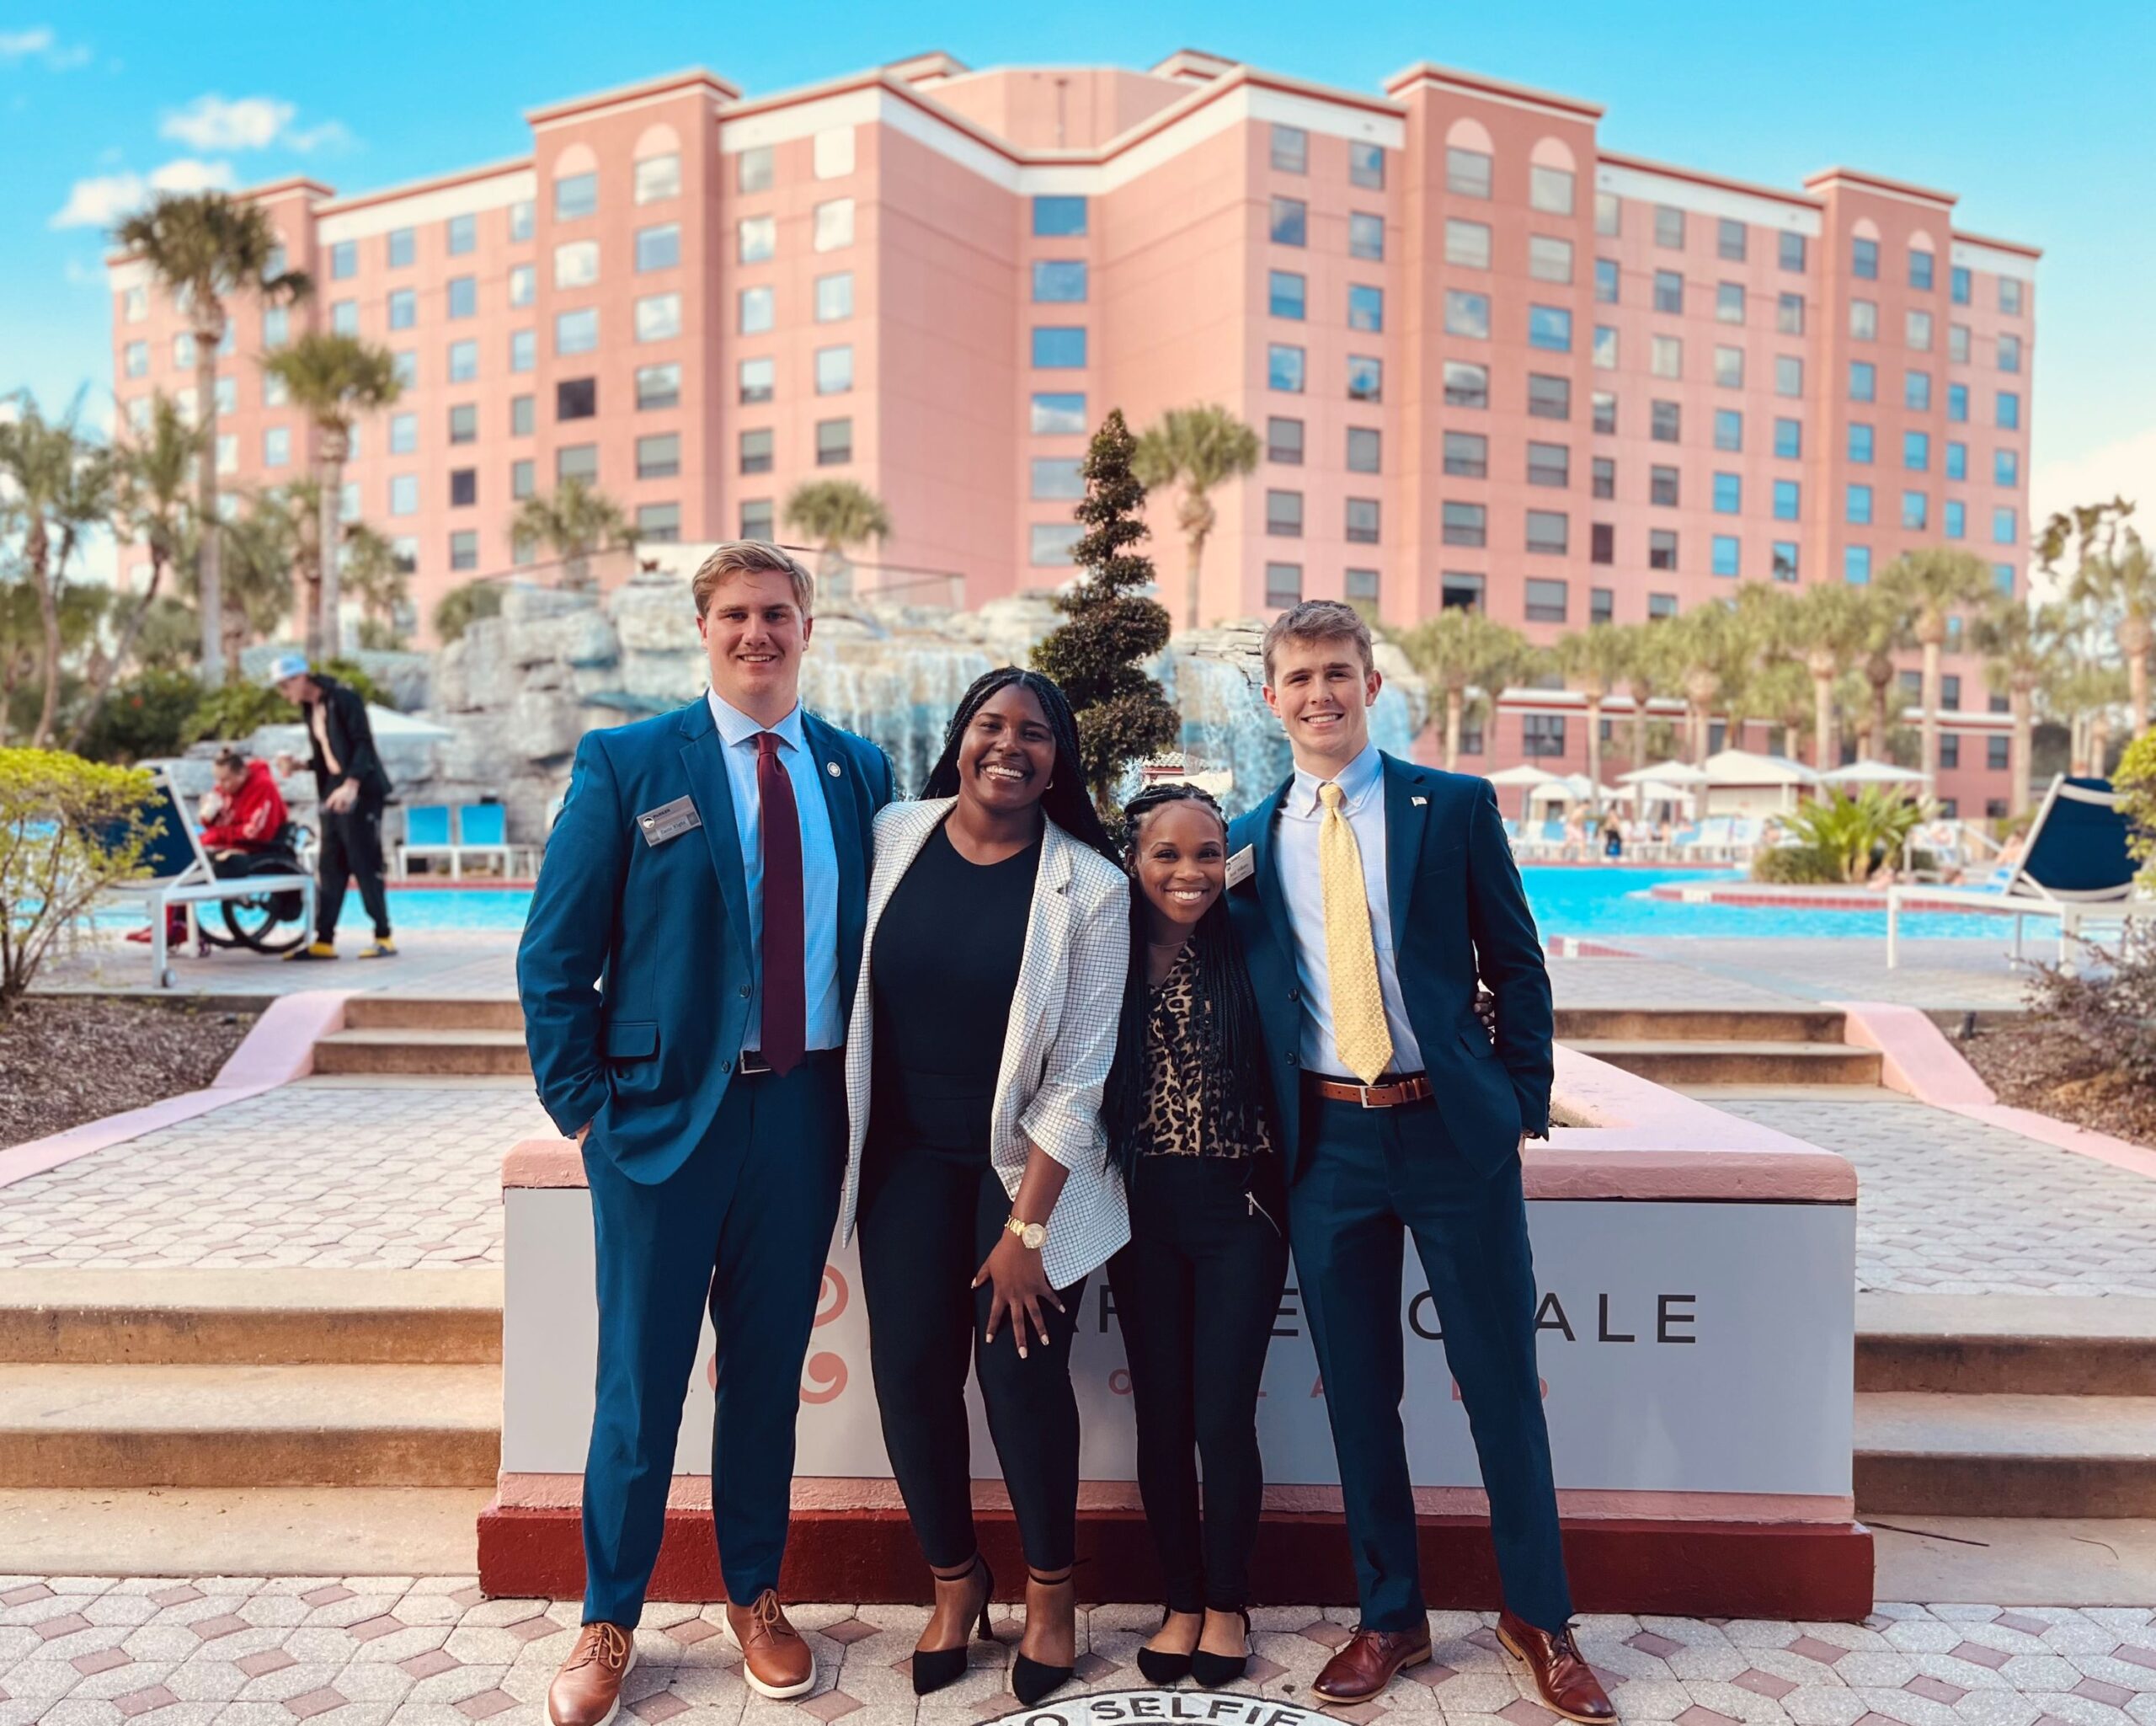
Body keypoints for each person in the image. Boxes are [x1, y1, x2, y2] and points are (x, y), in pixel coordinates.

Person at [518, 543, 897, 1726]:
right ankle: (607, 1617)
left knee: (768, 1378)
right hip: (658, 1125)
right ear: (703, 627)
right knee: (637, 1385)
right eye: (734, 614)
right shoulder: (630, 761)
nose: (757, 633)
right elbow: (553, 957)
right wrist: (586, 1110)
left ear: (807, 623)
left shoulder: (855, 768)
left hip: (802, 1115)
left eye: (777, 613)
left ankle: (754, 1594)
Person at [1224, 601, 1614, 1723]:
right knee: (1358, 1392)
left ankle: (1538, 1614)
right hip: (1326, 1142)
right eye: (1297, 676)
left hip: (1453, 1133)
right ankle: (1391, 1612)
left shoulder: (1451, 806)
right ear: (1271, 698)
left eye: (1338, 672)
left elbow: (1519, 963)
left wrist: (1517, 1105)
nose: (1319, 694)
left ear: (1371, 682)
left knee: (1501, 1385)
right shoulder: (1251, 835)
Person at [838, 667, 1129, 1707]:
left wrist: (1026, 1232)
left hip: (1024, 1176)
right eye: (989, 726)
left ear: (1060, 759)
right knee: (910, 1377)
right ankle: (957, 1584)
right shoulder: (890, 837)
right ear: (959, 737)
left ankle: (1051, 1596)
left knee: (1020, 1384)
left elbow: (1083, 1075)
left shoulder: (1088, 886)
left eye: (1035, 734)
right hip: (903, 1163)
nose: (1009, 747)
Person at [1102, 783, 1287, 1691]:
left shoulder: (1253, 943)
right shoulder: (1106, 951)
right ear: (1132, 862)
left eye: (1206, 854)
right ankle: (1179, 1599)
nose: (1189, 872)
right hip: (1139, 1214)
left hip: (1237, 1213)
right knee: (1163, 1418)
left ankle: (1227, 1603)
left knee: (1221, 1416)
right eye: (1166, 855)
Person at [270, 654, 395, 961]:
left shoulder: (344, 698)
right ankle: (324, 940)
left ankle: (384, 936)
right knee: (330, 866)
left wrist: (352, 785)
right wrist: (302, 765)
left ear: (301, 678)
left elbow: (363, 745)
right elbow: (331, 756)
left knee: (364, 862)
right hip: (334, 791)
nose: (284, 695)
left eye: (286, 687)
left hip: (361, 791)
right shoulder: (311, 708)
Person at [127, 749, 290, 950]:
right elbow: (213, 825)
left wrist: (218, 833)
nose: (220, 786)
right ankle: (172, 922)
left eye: (226, 780)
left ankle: (174, 925)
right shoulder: (227, 789)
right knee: (177, 856)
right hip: (227, 845)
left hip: (256, 849)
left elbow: (255, 832)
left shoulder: (263, 787)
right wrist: (208, 815)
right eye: (218, 780)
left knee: (199, 864)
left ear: (242, 774)